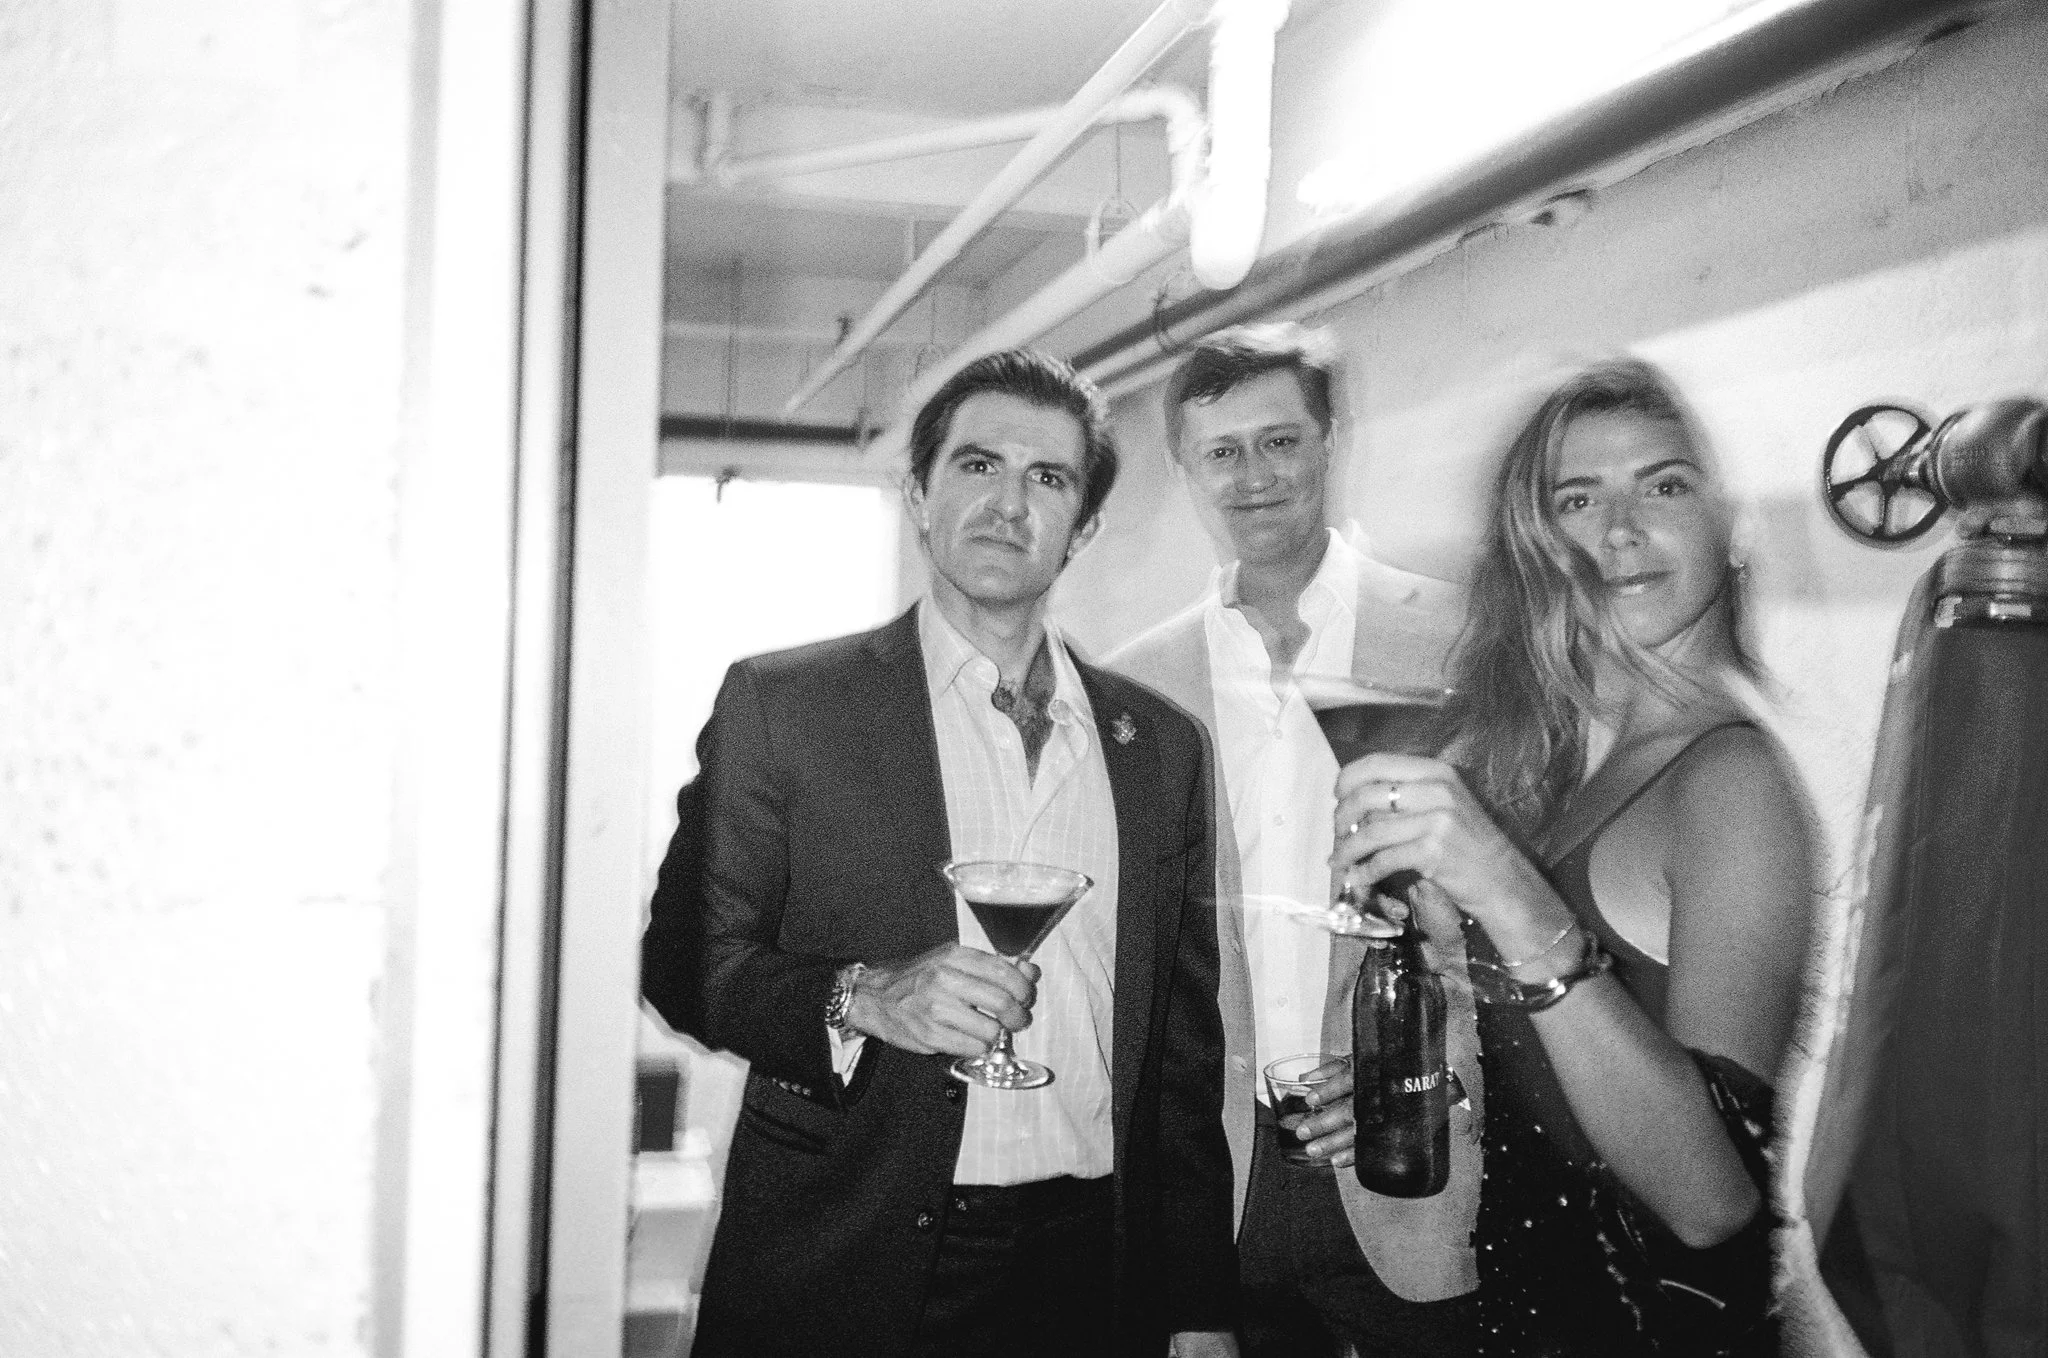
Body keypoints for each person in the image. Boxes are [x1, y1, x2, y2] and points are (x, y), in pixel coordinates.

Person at [639, 349, 1239, 1358]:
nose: (1008, 502)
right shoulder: (785, 707)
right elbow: (686, 962)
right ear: (919, 495)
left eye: (1045, 477)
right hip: (849, 1256)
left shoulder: (1161, 746)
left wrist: (1197, 1300)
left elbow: (1179, 1053)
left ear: (1082, 526)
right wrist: (859, 996)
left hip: (1092, 1262)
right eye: (976, 465)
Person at [1330, 358, 1815, 1355]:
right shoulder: (1571, 763)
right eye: (1577, 498)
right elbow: (1557, 1085)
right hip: (1514, 1313)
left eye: (1664, 484)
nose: (1620, 531)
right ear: (1536, 541)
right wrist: (1434, 1088)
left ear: (1732, 528)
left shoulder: (1730, 779)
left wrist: (1508, 893)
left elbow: (1710, 1199)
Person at [1108, 324, 1484, 1356]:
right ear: (1185, 469)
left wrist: (1424, 1078)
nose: (1251, 476)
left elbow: (1517, 912)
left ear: (1330, 437)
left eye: (1278, 440)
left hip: (1415, 1165)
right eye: (1219, 452)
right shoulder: (1130, 687)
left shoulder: (1463, 644)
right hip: (1209, 1188)